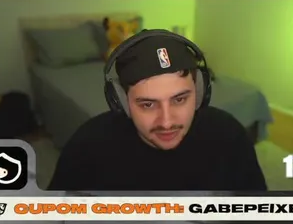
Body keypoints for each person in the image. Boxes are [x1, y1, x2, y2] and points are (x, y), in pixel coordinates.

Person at [47, 31, 267, 192]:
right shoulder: (87, 146)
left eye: (179, 99)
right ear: (121, 101)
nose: (167, 122)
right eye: (148, 104)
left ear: (200, 92)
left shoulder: (230, 136)